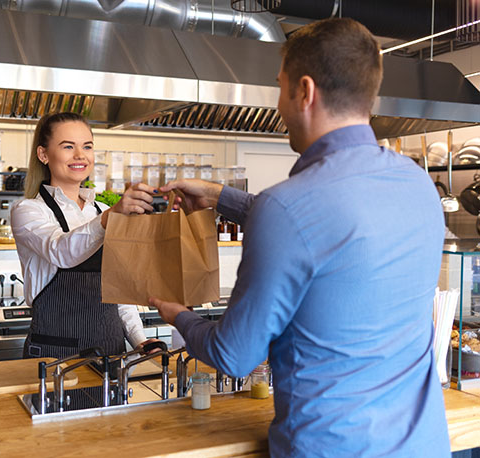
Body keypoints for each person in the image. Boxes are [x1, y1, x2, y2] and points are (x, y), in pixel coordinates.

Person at [151, 18, 450, 457]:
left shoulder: (287, 208)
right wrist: (221, 197)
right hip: (421, 445)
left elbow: (234, 355)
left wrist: (176, 313)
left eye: (279, 87)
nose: (278, 104)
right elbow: (333, 234)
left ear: (305, 92)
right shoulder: (419, 185)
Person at [11, 112, 157, 360]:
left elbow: (119, 291)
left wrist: (139, 339)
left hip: (111, 353)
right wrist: (111, 217)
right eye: (68, 146)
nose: (80, 155)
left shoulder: (100, 210)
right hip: (55, 356)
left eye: (87, 146)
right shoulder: (28, 211)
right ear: (43, 154)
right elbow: (61, 251)